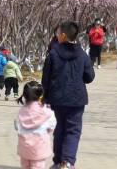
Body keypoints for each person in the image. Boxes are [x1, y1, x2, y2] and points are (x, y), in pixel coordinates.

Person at [42, 21, 95, 169]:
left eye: (57, 33)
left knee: (59, 129)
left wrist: (44, 98)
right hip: (77, 100)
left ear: (63, 36)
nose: (56, 36)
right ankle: (68, 162)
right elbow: (89, 77)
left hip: (57, 99)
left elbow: (45, 78)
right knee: (73, 130)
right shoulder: (82, 54)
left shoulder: (53, 53)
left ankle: (58, 161)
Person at [15, 81, 56, 169]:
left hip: (24, 148)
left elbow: (16, 126)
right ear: (41, 95)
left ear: (25, 95)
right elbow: (52, 125)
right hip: (39, 147)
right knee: (38, 166)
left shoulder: (22, 111)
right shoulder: (46, 112)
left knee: (25, 166)